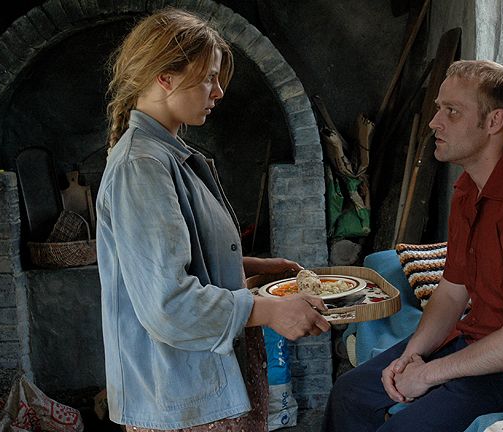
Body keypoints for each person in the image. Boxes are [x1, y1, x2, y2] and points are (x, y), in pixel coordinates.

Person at [322, 60, 503, 432]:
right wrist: (411, 356)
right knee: (349, 393)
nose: (434, 122)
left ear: (494, 121)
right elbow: (452, 291)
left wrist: (428, 375)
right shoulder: (468, 190)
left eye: (451, 111)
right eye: (439, 108)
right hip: (479, 338)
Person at [97, 8, 330, 432]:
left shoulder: (169, 156)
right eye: (209, 78)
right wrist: (268, 310)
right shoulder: (142, 166)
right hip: (180, 398)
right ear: (165, 77)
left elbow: (177, 263)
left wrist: (252, 268)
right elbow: (168, 303)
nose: (219, 91)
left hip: (201, 387)